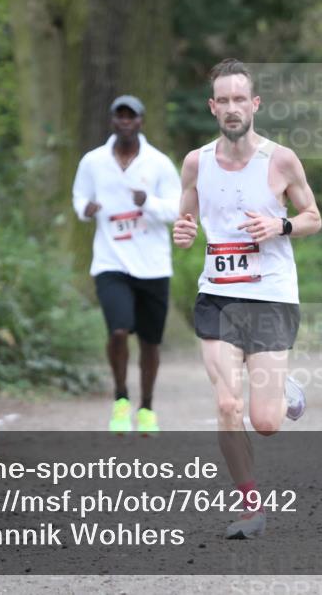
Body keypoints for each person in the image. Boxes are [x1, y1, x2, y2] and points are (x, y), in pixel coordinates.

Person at [173, 59, 322, 539]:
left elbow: (313, 217)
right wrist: (183, 229)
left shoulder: (280, 160)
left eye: (242, 99)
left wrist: (281, 225)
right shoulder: (195, 162)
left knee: (266, 421)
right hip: (217, 296)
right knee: (226, 404)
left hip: (271, 297)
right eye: (225, 100)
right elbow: (187, 217)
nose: (233, 108)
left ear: (254, 105)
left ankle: (283, 393)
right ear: (213, 107)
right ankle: (250, 506)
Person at [72, 95, 181, 435]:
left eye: (130, 116)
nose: (124, 122)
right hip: (110, 261)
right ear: (111, 122)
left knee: (150, 342)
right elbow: (78, 196)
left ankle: (146, 407)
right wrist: (84, 210)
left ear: (140, 121)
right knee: (118, 331)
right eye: (118, 116)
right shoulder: (92, 161)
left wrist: (147, 202)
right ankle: (121, 399)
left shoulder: (158, 163)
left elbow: (177, 210)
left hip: (152, 265)